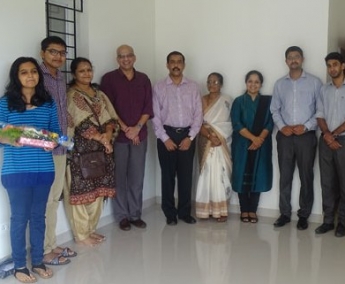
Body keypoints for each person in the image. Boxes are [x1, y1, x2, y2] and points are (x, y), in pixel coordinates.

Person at [0, 57, 60, 282]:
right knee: (19, 218)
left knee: (38, 217)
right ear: (16, 76)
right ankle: (18, 266)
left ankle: (37, 261)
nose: (30, 75)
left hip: (44, 169)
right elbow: (0, 135)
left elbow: (55, 134)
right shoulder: (5, 103)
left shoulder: (48, 102)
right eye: (24, 72)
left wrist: (50, 141)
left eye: (34, 71)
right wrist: (14, 136)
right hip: (16, 171)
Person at [65, 57, 119, 246]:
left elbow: (111, 118)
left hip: (103, 149)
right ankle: (81, 234)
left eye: (89, 70)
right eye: (82, 71)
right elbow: (80, 123)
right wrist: (101, 138)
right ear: (74, 74)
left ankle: (91, 230)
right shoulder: (72, 95)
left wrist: (108, 135)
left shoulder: (99, 94)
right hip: (81, 151)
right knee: (80, 191)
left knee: (98, 191)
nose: (87, 74)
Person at [100, 45, 153, 231]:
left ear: (134, 57)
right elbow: (108, 108)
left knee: (137, 177)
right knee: (119, 177)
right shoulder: (109, 79)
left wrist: (137, 128)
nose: (125, 59)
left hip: (140, 135)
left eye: (129, 55)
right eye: (121, 56)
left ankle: (135, 214)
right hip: (118, 137)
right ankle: (122, 215)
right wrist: (125, 129)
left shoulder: (144, 79)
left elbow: (148, 106)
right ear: (117, 59)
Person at [270, 46, 322, 230]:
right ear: (286, 61)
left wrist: (306, 126)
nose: (293, 60)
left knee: (306, 175)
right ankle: (284, 213)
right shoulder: (279, 84)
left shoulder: (315, 82)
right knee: (285, 176)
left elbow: (320, 110)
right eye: (290, 57)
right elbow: (274, 109)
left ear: (302, 59)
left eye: (297, 57)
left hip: (306, 137)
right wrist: (282, 127)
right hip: (284, 136)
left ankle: (304, 215)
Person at [152, 51, 203, 225]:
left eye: (179, 62)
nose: (176, 65)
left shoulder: (193, 87)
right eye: (172, 62)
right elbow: (155, 116)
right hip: (166, 134)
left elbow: (198, 114)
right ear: (167, 65)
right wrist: (165, 138)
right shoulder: (158, 87)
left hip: (188, 135)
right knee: (167, 176)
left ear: (184, 64)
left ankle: (184, 212)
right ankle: (170, 214)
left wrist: (190, 136)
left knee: (186, 176)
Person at [40, 36, 77, 265]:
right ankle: (45, 250)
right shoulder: (37, 76)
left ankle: (52, 244)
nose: (58, 57)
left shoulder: (61, 77)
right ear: (43, 52)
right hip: (45, 148)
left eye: (62, 53)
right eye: (53, 52)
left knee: (54, 198)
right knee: (46, 200)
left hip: (61, 147)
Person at [231, 70, 273, 223]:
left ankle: (253, 210)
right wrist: (253, 138)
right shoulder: (238, 101)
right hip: (242, 144)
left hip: (261, 145)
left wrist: (259, 139)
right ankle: (244, 210)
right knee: (241, 174)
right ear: (246, 83)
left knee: (258, 175)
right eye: (250, 81)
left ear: (261, 84)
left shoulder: (267, 102)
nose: (253, 84)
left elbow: (270, 122)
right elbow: (236, 123)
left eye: (256, 82)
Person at [315, 52, 345, 237]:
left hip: (343, 141)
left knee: (344, 183)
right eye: (329, 65)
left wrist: (333, 135)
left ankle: (342, 222)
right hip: (326, 140)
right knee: (327, 182)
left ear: (343, 66)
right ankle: (327, 221)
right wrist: (327, 135)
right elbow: (319, 114)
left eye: (335, 64)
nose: (332, 68)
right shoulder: (324, 90)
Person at [195, 72, 232, 222]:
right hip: (206, 141)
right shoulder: (201, 100)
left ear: (221, 84)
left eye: (215, 82)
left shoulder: (227, 101)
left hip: (222, 143)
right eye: (209, 82)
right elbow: (197, 122)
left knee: (220, 176)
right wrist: (210, 136)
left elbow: (229, 124)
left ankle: (221, 210)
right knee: (206, 174)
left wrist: (219, 136)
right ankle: (205, 210)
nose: (212, 85)